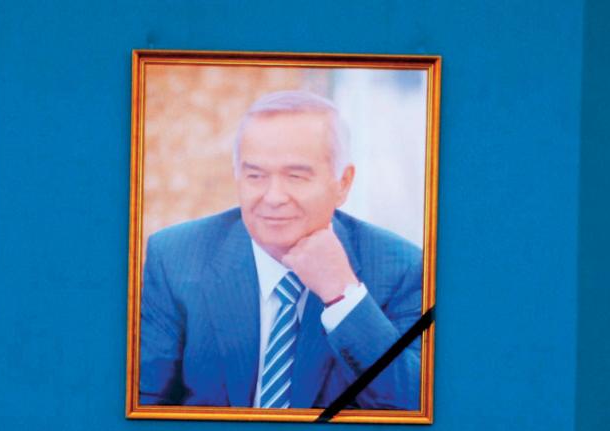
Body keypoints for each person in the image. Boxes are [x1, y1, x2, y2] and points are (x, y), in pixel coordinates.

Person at [139, 90, 423, 410]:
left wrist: (343, 296)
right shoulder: (174, 258)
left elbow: (414, 409)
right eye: (255, 176)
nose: (273, 197)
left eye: (296, 176)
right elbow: (142, 408)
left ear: (343, 183)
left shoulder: (402, 269)